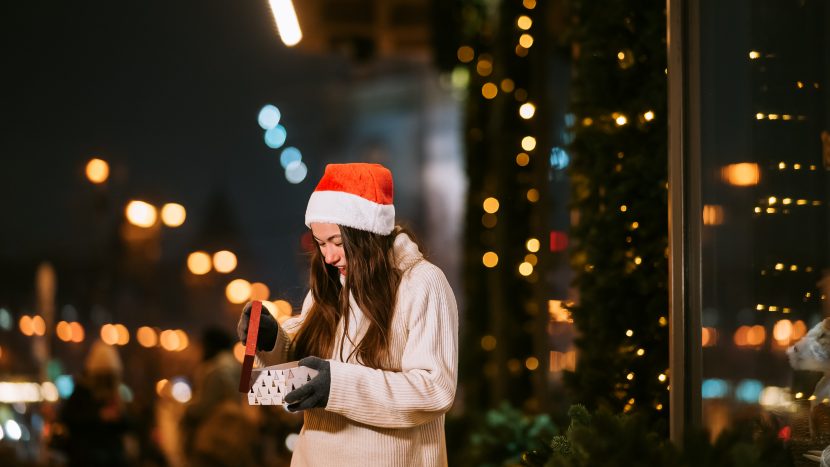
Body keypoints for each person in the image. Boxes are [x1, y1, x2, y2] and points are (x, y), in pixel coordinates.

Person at [237, 162, 459, 466]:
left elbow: (434, 390)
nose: (328, 256)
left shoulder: (422, 283)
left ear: (366, 234)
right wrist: (271, 340)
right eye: (320, 244)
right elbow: (304, 369)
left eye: (337, 242)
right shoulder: (330, 286)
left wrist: (337, 385)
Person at [182, 326, 258, 467]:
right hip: (236, 435)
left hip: (216, 439)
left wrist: (187, 411)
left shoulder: (216, 370)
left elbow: (205, 405)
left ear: (210, 345)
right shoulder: (236, 367)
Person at [57, 339, 133, 467]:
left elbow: (128, 424)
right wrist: (99, 417)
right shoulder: (82, 392)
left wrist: (117, 417)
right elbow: (68, 418)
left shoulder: (115, 395)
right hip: (86, 458)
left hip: (110, 458)